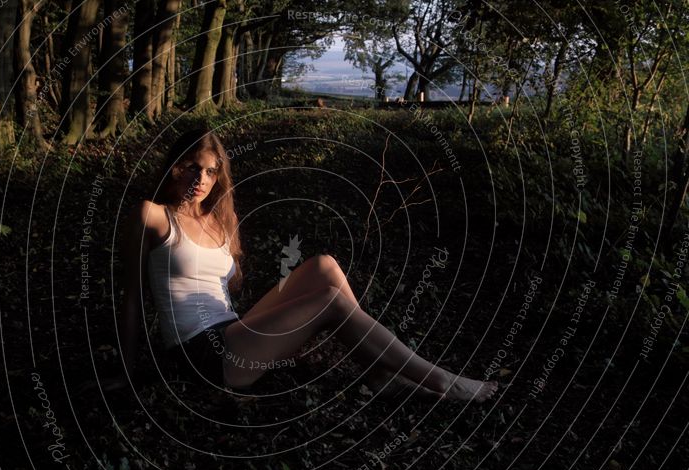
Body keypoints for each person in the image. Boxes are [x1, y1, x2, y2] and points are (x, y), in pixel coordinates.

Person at [111, 128, 498, 402]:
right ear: (176, 166)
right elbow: (130, 297)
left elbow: (229, 292)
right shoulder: (152, 215)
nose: (201, 179)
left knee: (324, 266)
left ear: (219, 177)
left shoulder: (218, 222)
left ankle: (379, 372)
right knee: (330, 300)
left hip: (231, 331)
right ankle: (444, 382)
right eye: (193, 166)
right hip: (201, 356)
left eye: (211, 171)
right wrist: (126, 372)